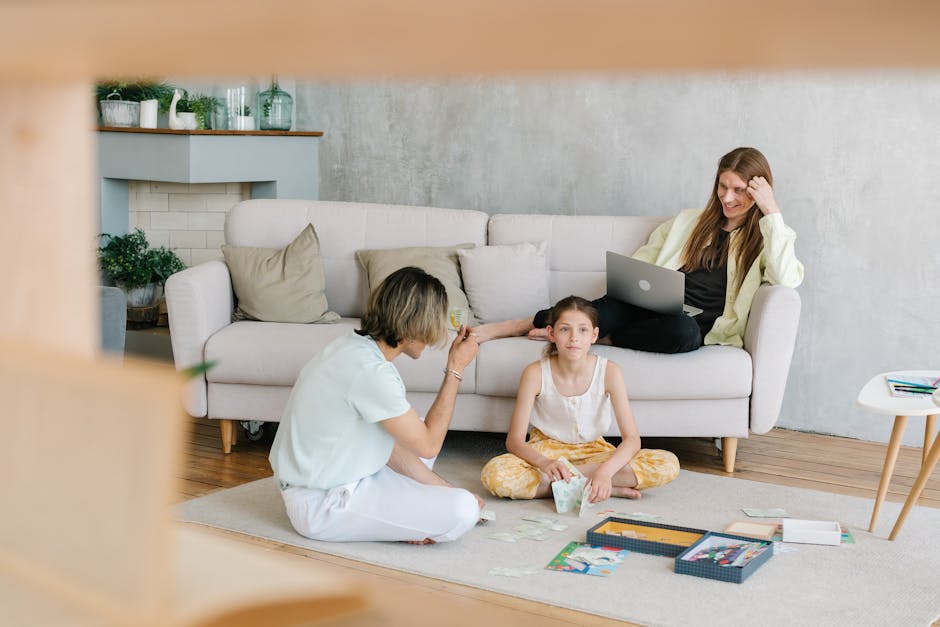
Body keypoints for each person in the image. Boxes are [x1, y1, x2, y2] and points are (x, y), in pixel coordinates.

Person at [472, 147, 804, 353]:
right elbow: (646, 261)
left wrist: (771, 212)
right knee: (601, 309)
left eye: (739, 190)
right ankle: (512, 325)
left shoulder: (770, 237)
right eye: (722, 186)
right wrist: (637, 285)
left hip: (694, 324)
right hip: (652, 304)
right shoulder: (690, 222)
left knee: (683, 333)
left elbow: (786, 279)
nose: (728, 198)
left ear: (759, 191)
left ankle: (600, 339)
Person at [269, 266, 482, 544]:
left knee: (413, 442)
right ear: (414, 325)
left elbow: (393, 448)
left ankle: (408, 517)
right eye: (435, 320)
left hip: (346, 473)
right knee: (462, 509)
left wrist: (446, 489)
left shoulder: (351, 347)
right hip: (322, 503)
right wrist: (456, 368)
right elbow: (429, 444)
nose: (438, 331)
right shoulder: (370, 372)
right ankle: (405, 524)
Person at [480, 296, 679, 502]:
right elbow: (514, 441)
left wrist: (605, 472)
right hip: (547, 454)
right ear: (551, 333)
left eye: (583, 330)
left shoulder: (609, 371)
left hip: (595, 453)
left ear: (594, 336)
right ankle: (598, 487)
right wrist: (545, 464)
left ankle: (571, 485)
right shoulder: (535, 372)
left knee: (668, 463)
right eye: (565, 329)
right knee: (494, 474)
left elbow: (632, 440)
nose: (574, 337)